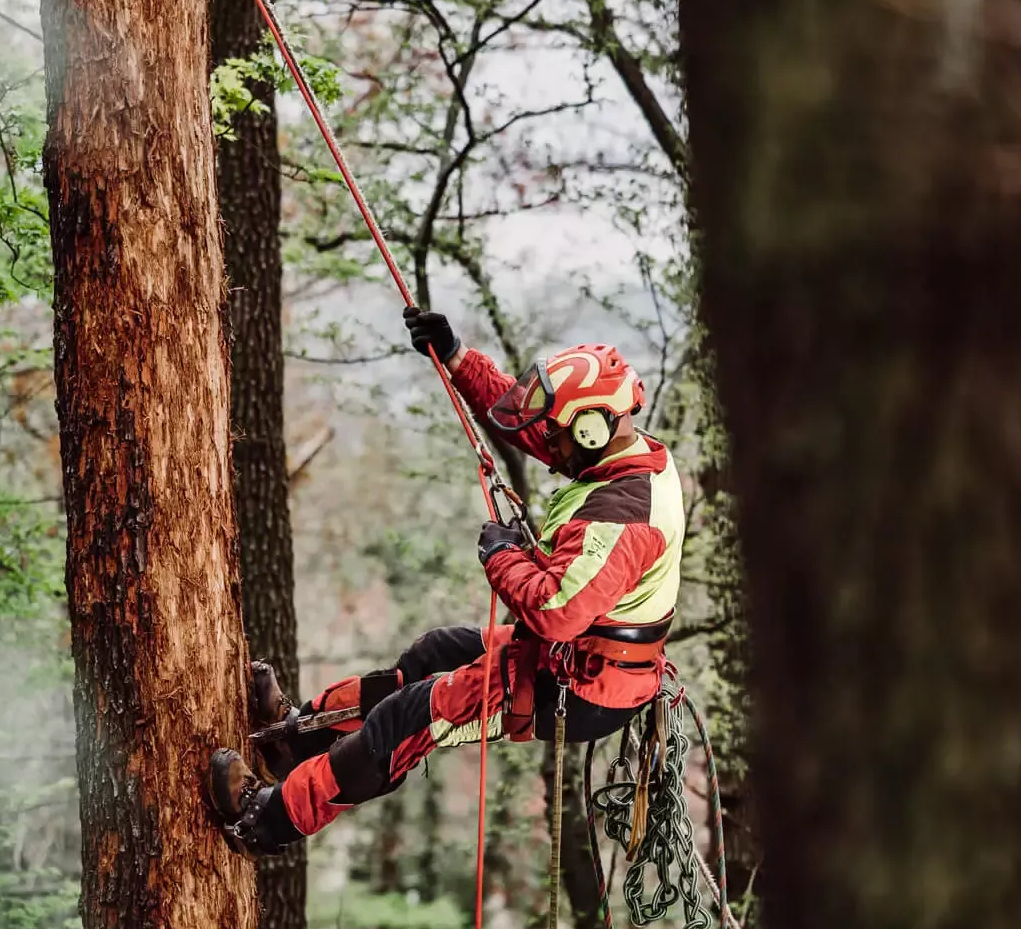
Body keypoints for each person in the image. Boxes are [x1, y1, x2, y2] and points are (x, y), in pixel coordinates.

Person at [207, 307, 685, 855]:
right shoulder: (624, 451)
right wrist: (459, 358)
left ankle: (268, 820)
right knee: (437, 651)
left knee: (408, 719)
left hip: (578, 687)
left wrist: (502, 555)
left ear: (592, 428)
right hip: (573, 659)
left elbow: (555, 611)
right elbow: (531, 427)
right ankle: (301, 738)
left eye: (560, 437)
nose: (550, 448)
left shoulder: (622, 518)